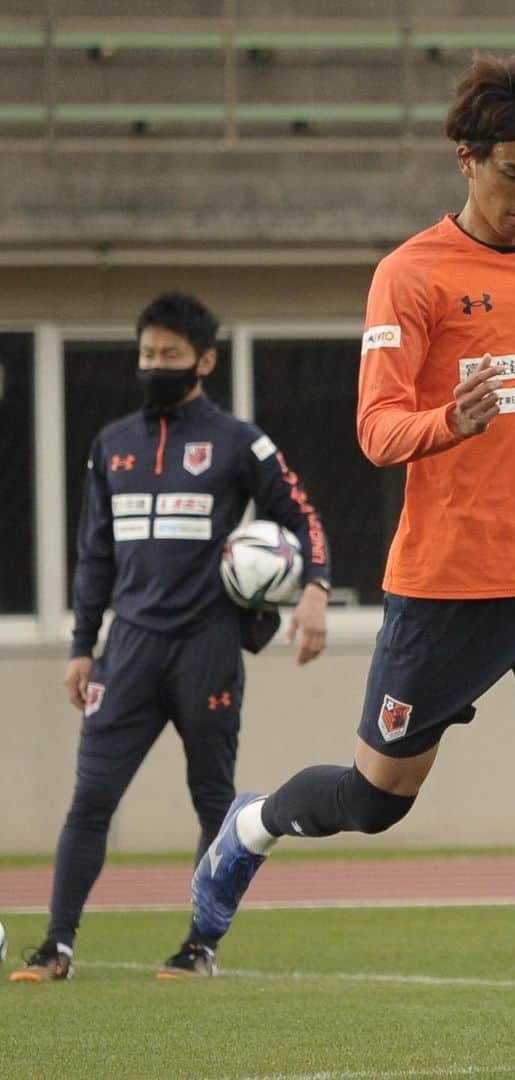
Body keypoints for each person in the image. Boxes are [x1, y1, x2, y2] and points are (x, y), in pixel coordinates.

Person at [185, 54, 515, 1073]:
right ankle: (252, 826)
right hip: (450, 587)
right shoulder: (413, 275)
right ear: (466, 157)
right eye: (514, 173)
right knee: (378, 800)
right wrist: (448, 421)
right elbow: (377, 430)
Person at [11, 291, 332, 984]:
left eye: (170, 356)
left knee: (214, 804)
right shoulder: (112, 444)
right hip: (126, 652)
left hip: (207, 649)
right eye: (147, 354)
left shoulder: (239, 441)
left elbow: (302, 516)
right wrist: (80, 645)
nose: (154, 365)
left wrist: (315, 589)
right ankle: (56, 946)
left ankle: (200, 946)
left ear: (204, 362)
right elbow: (94, 554)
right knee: (91, 800)